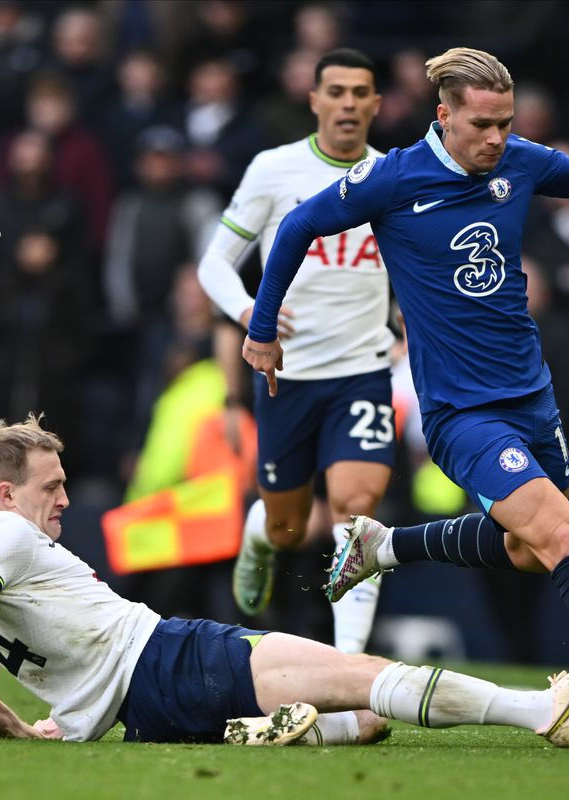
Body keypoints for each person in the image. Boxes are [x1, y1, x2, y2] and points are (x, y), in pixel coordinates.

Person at [243, 47, 569, 720]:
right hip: (463, 414)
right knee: (563, 536)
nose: (496, 139)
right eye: (482, 125)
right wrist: (261, 326)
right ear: (443, 114)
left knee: (525, 548)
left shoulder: (518, 162)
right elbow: (298, 225)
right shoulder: (392, 180)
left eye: (505, 123)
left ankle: (384, 545)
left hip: (532, 400)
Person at [0, 413, 569, 749]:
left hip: (147, 715)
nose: (66, 498)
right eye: (52, 485)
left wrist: (48, 729)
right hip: (170, 661)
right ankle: (543, 710)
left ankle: (275, 736)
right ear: (6, 494)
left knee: (365, 722)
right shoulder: (2, 533)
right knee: (369, 674)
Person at [196, 48, 394, 654]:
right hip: (288, 374)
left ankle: (350, 669)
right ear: (314, 101)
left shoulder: (396, 175)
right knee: (289, 529)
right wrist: (251, 314)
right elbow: (213, 265)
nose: (349, 104)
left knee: (356, 516)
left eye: (361, 92)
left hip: (364, 370)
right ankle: (258, 536)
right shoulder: (274, 169)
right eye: (336, 91)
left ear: (376, 104)